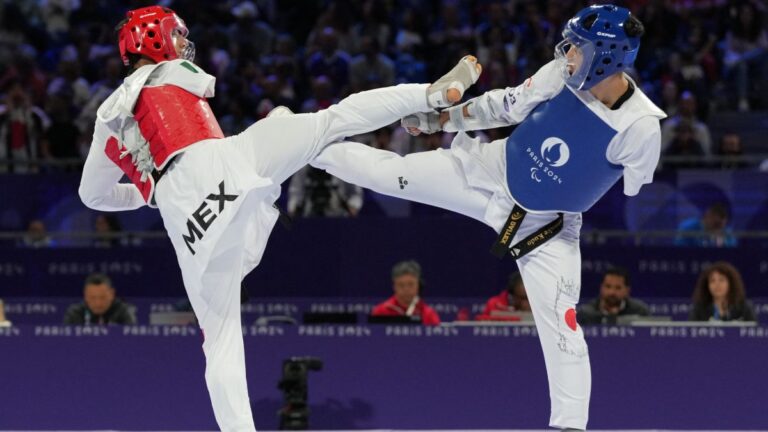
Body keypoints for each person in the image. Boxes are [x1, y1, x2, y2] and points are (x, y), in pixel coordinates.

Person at [78, 6, 481, 431]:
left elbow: (93, 195)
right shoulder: (168, 72)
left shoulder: (107, 116)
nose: (182, 45)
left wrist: (151, 194)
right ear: (152, 39)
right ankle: (432, 95)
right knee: (330, 121)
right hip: (226, 161)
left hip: (187, 218)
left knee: (220, 341)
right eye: (174, 35)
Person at [311, 5, 664, 430]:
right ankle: (304, 141)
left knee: (564, 331)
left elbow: (630, 187)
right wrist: (443, 118)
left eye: (578, 48)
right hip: (490, 172)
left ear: (607, 56)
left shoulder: (642, 129)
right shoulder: (562, 74)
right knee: (388, 174)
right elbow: (505, 106)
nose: (567, 53)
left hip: (548, 228)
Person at [370, 260, 440, 325]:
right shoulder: (380, 312)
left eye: (411, 284)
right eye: (401, 285)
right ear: (394, 286)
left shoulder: (429, 314)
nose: (406, 289)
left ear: (419, 285)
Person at [577, 267, 649, 325]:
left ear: (627, 290)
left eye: (618, 288)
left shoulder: (640, 311)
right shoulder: (586, 314)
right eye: (608, 286)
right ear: (601, 287)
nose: (612, 292)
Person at [689, 261, 756, 322]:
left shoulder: (745, 308)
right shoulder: (699, 309)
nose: (717, 285)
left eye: (721, 280)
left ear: (731, 283)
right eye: (712, 281)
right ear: (707, 285)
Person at [63, 273, 136, 325]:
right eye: (93, 298)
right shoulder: (75, 314)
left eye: (103, 297)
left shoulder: (123, 311)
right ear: (85, 296)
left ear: (112, 294)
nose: (98, 303)